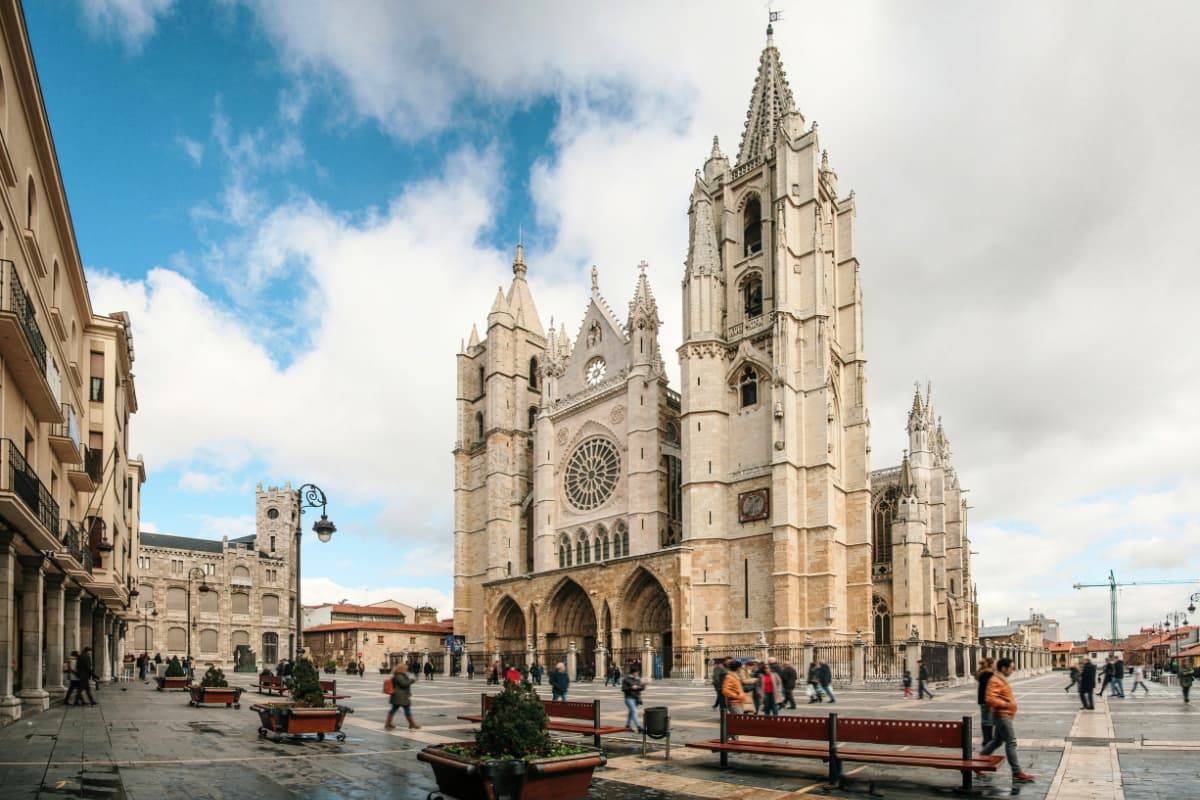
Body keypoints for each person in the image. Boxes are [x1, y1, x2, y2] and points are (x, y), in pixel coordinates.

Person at [978, 657, 1035, 784]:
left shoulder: (999, 679)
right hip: (1002, 716)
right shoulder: (995, 680)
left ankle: (977, 763)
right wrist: (1006, 704)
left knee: (997, 741)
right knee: (1011, 742)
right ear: (1004, 668)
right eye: (1011, 668)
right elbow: (989, 699)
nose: (1012, 670)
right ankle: (1017, 772)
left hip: (1004, 715)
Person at [385, 663, 420, 730]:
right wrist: (411, 680)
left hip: (399, 696)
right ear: (401, 669)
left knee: (393, 710)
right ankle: (412, 724)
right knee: (406, 710)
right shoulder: (399, 676)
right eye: (405, 668)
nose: (406, 669)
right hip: (400, 697)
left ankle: (388, 723)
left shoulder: (399, 675)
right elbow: (404, 684)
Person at [976, 657, 995, 746]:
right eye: (994, 663)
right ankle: (988, 739)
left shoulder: (981, 673)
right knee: (989, 719)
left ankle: (986, 739)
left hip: (982, 699)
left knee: (985, 719)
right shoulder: (989, 674)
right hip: (988, 699)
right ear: (991, 664)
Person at [621, 664, 646, 733]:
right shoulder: (626, 679)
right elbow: (623, 689)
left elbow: (641, 688)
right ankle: (639, 727)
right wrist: (631, 688)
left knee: (631, 712)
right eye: (637, 672)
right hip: (629, 698)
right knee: (634, 711)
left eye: (638, 672)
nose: (637, 674)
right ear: (633, 672)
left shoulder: (638, 679)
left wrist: (643, 685)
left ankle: (628, 726)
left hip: (636, 698)